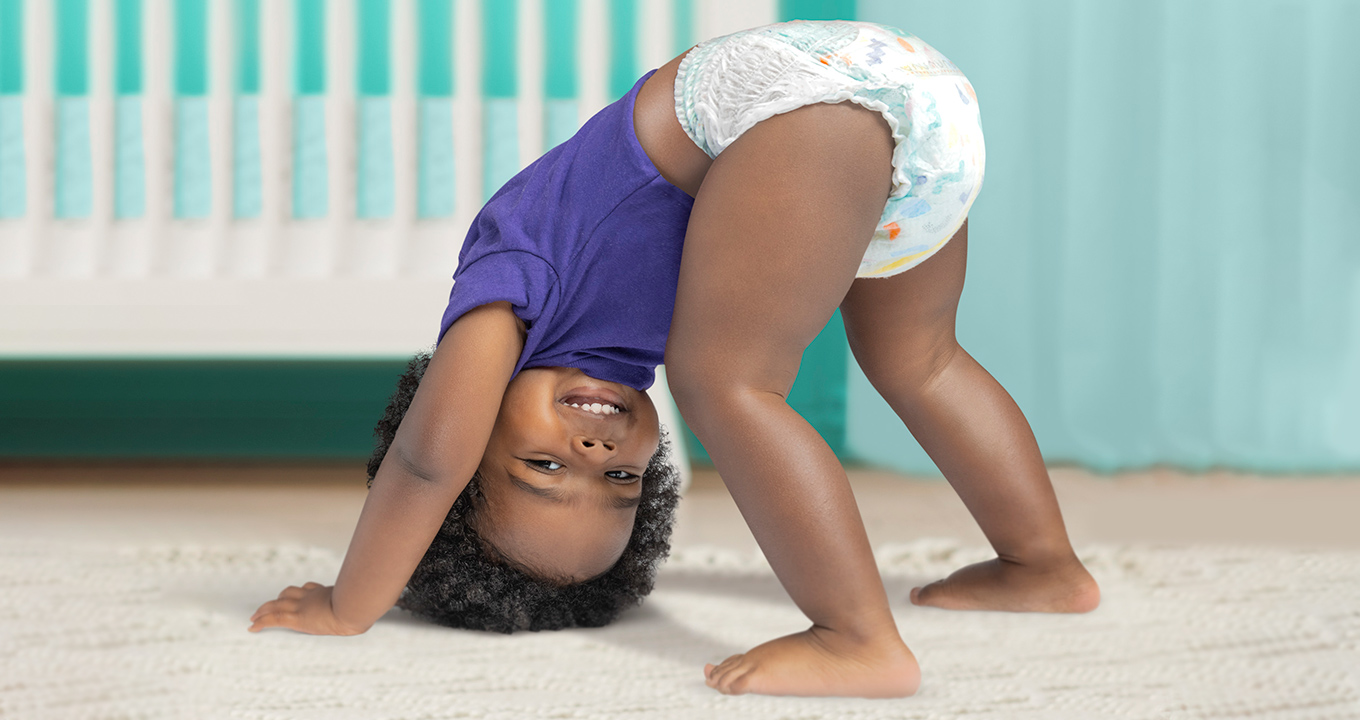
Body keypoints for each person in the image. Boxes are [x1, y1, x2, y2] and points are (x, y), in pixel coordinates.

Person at [249, 19, 1100, 698]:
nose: (594, 453)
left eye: (543, 465)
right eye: (620, 480)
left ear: (469, 423)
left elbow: (425, 465)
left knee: (725, 384)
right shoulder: (622, 342)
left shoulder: (508, 295)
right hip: (914, 110)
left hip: (804, 100)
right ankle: (1044, 567)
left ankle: (857, 638)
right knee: (919, 361)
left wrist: (345, 604)